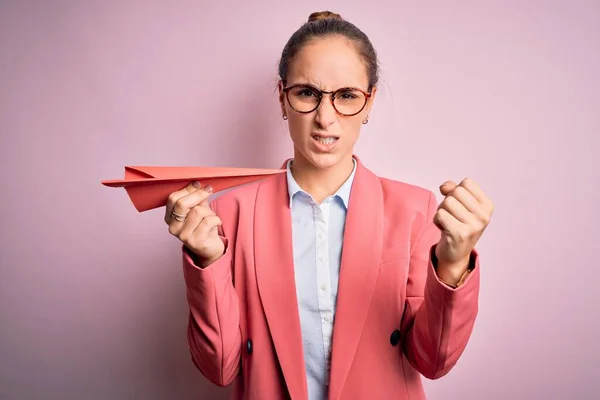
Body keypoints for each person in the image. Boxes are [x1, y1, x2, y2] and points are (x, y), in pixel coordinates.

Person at [165, 10, 494, 400]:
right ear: (282, 97)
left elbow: (433, 361)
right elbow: (220, 367)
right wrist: (205, 262)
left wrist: (453, 265)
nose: (325, 118)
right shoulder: (229, 215)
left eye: (347, 96)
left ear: (369, 103)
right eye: (307, 93)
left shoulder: (416, 210)